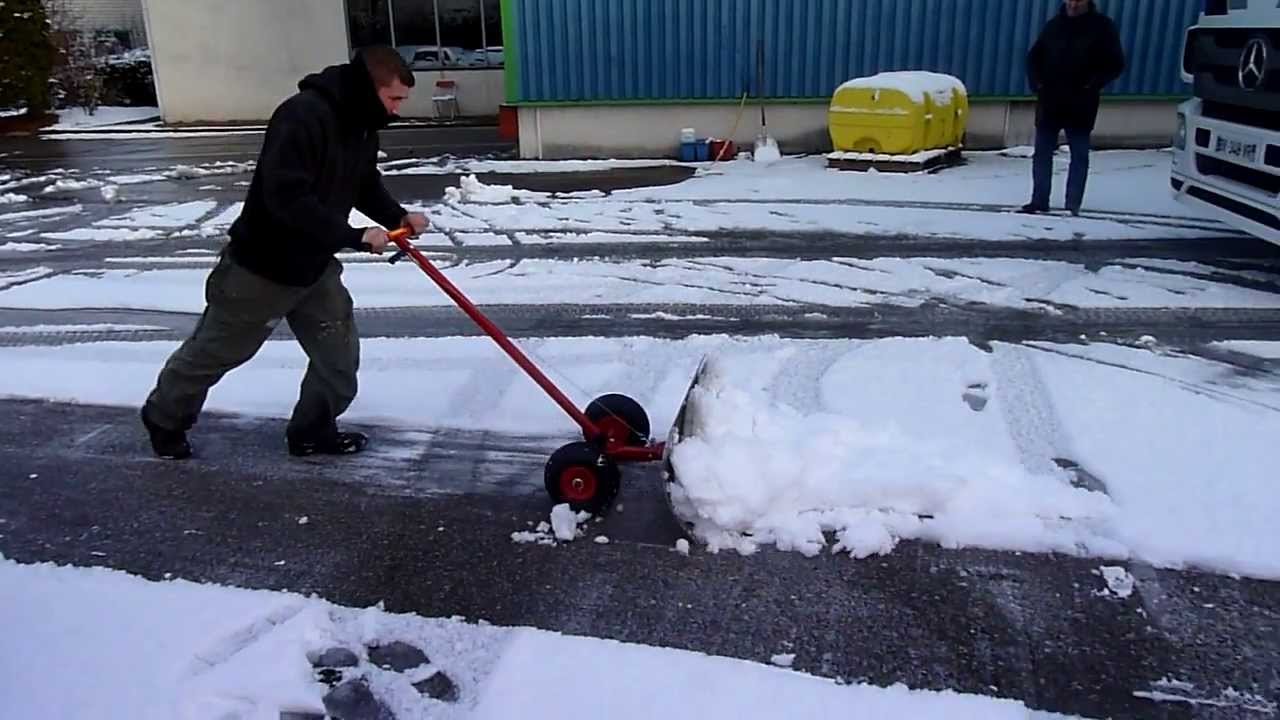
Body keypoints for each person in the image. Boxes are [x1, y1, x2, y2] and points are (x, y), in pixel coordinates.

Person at [140, 46, 429, 460]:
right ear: (369, 88)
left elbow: (363, 183)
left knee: (337, 356)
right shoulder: (302, 116)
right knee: (215, 353)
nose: (397, 109)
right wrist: (352, 236)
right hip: (262, 268)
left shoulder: (362, 124)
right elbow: (286, 197)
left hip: (314, 266)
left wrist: (397, 216)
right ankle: (164, 417)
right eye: (394, 98)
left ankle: (312, 431)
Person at [1019, 0, 1125, 216]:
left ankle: (1072, 204)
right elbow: (1034, 57)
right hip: (1050, 101)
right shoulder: (1054, 25)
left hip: (1081, 103)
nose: (1074, 4)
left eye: (1079, 0)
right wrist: (1037, 83)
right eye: (1070, 0)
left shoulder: (1102, 27)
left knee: (1079, 156)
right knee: (1042, 154)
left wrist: (1093, 83)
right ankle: (1039, 201)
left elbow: (1116, 63)